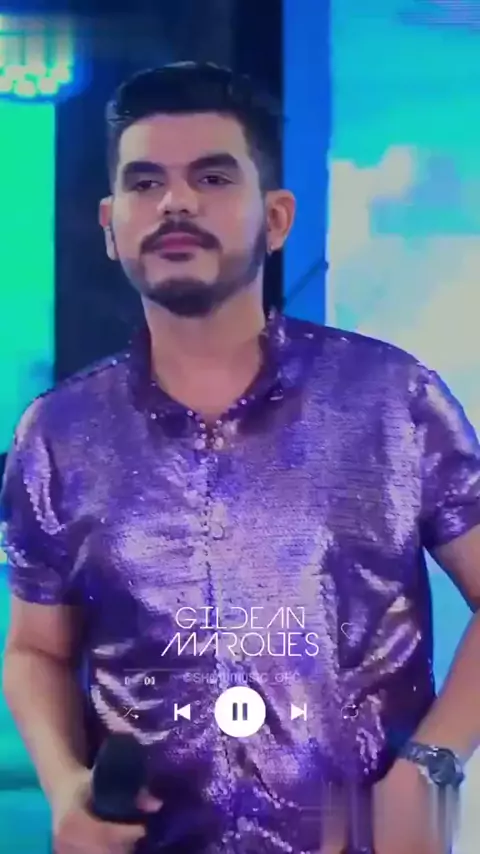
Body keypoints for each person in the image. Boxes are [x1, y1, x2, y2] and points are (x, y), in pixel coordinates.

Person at [1, 61, 480, 854]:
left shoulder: (391, 399)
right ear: (111, 225)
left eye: (213, 177)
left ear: (278, 217)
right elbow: (35, 649)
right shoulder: (58, 434)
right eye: (146, 182)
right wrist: (63, 786)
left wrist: (431, 766)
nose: (176, 202)